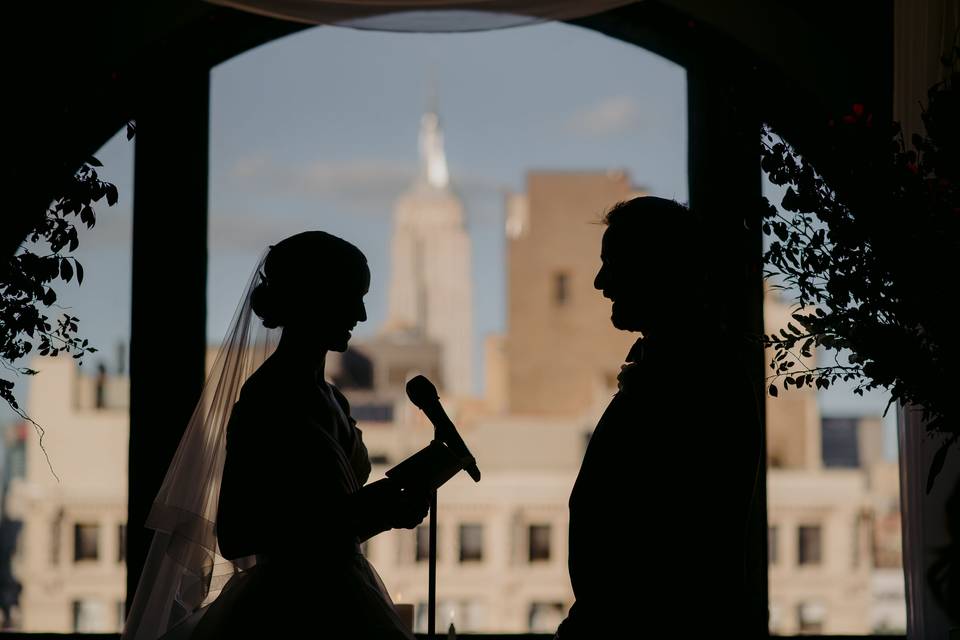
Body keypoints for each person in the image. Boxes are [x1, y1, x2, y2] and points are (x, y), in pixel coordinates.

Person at [122, 231, 429, 640]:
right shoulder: (266, 400)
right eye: (349, 296)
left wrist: (382, 514)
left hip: (343, 596)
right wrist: (367, 511)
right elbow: (239, 534)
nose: (361, 314)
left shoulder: (333, 398)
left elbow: (323, 528)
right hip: (286, 613)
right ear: (312, 297)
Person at [555, 197, 762, 638]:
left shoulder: (695, 379)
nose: (600, 282)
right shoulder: (677, 369)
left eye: (614, 264)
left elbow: (670, 532)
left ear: (658, 270)